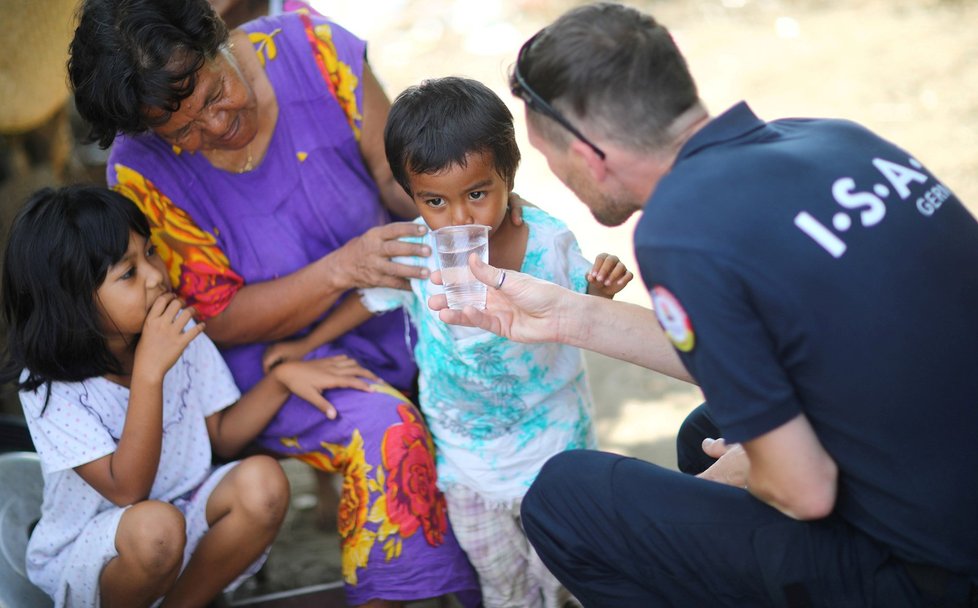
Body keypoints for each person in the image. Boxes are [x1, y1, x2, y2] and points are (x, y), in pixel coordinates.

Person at [431, 3, 978, 607]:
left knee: (566, 499)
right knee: (705, 429)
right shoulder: (835, 140)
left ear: (589, 156)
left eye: (549, 157)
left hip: (932, 567)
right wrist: (568, 314)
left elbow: (805, 492)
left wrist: (751, 470)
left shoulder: (682, 228)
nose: (555, 177)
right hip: (948, 481)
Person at [66, 1, 482, 605]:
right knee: (385, 431)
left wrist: (463, 209)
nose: (211, 128)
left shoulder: (315, 49)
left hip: (389, 304)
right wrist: (341, 267)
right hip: (264, 365)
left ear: (219, 38)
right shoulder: (140, 171)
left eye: (213, 96)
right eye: (179, 130)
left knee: (496, 376)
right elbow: (219, 320)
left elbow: (400, 178)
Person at [262, 76, 633, 607]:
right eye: (435, 201)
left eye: (477, 194)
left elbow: (584, 309)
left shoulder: (547, 243)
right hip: (464, 460)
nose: (458, 219)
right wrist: (304, 347)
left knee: (565, 579)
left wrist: (598, 289)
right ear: (411, 196)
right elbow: (372, 298)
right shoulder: (419, 248)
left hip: (551, 447)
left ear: (508, 178)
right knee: (501, 584)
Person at [0, 185, 381, 607]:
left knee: (264, 483)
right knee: (155, 530)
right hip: (97, 551)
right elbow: (127, 491)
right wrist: (150, 372)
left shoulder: (177, 329)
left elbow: (221, 437)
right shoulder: (52, 385)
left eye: (149, 253)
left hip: (184, 511)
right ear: (71, 303)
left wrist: (281, 379)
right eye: (127, 274)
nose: (155, 276)